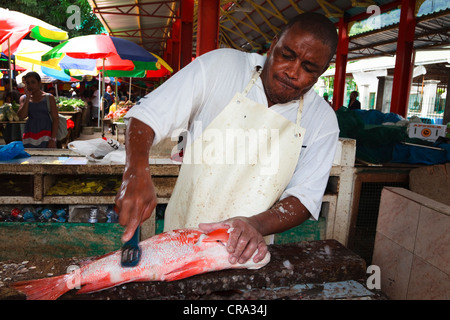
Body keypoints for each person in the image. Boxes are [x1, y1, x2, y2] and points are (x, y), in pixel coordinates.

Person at [115, 13, 340, 265]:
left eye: (309, 68)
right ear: (274, 44)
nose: (292, 71)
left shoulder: (322, 121)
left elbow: (305, 198)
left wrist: (253, 224)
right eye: (287, 55)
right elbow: (147, 115)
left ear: (322, 71)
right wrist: (135, 170)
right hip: (179, 243)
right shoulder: (220, 67)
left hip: (245, 255)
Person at [17, 71, 58, 148]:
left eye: (33, 82)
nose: (30, 85)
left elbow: (55, 119)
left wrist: (52, 139)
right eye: (28, 83)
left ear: (39, 83)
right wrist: (28, 98)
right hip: (29, 135)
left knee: (47, 159)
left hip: (46, 135)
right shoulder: (23, 98)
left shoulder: (49, 97)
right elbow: (22, 116)